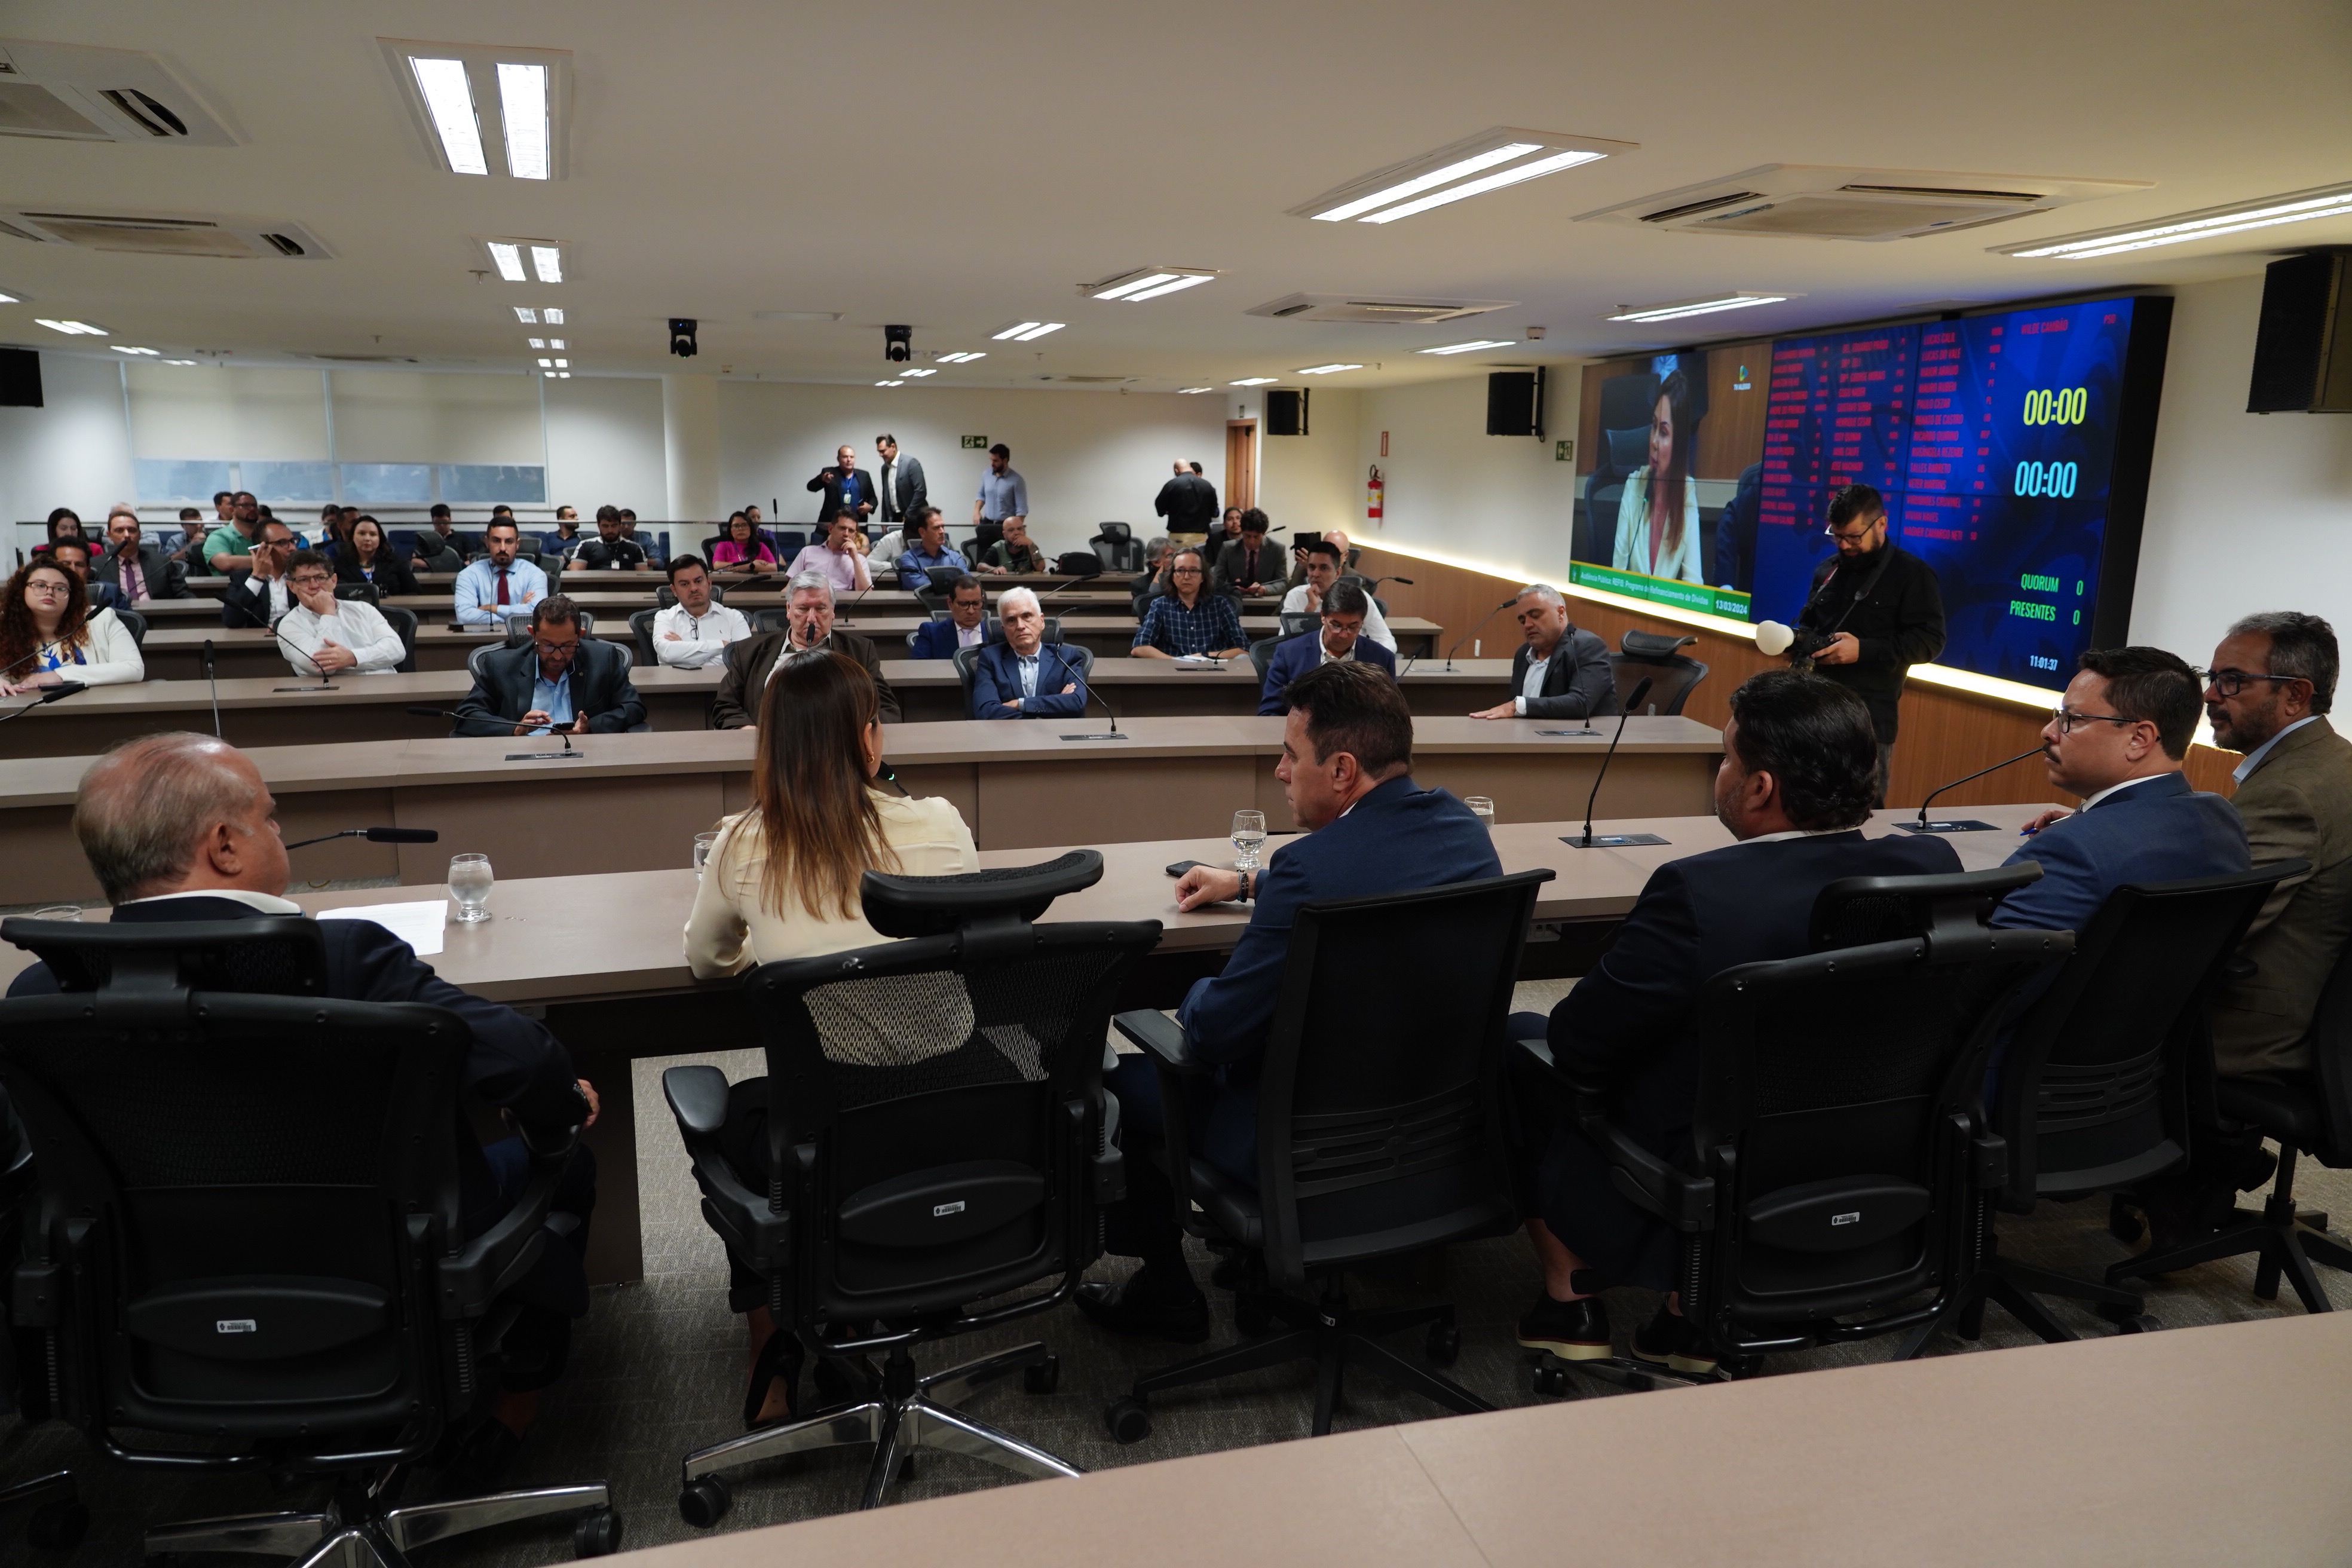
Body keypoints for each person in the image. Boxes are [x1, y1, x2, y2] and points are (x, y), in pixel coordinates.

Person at [6, 733, 599, 1482]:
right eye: (270, 817)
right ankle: (518, 1396)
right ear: (224, 846)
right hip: (381, 1270)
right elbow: (528, 1063)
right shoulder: (346, 958)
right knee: (566, 1160)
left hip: (162, 1290)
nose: (281, 831)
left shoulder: (43, 993)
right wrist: (559, 1109)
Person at [1509, 670, 1964, 1371]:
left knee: (1522, 1043)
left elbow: (1580, 1042)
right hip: (1868, 1145)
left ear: (1759, 788)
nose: (1720, 773)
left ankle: (1571, 1301)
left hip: (1704, 1155)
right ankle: (1686, 1318)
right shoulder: (1931, 863)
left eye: (1726, 758)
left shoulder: (1701, 891)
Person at [1077, 662, 1505, 1337]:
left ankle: (1167, 1296)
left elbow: (1215, 1032)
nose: (1279, 771)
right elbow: (1373, 869)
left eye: (1289, 755)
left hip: (1297, 1147)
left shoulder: (1311, 870)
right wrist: (1249, 883)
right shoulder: (1464, 831)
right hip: (1430, 1133)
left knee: (1109, 1086)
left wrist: (1196, 989)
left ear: (1341, 770)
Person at [684, 650, 978, 1420]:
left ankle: (771, 1350)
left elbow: (708, 960)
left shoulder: (742, 843)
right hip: (953, 1116)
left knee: (737, 1120)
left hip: (827, 1133)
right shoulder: (942, 822)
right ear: (869, 740)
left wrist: (775, 952)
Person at [1989, 647, 2250, 941]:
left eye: (2072, 719)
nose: (2049, 732)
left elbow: (1996, 960)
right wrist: (2088, 822)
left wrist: (2079, 833)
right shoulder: (2222, 818)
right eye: (2058, 715)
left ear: (2139, 739)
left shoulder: (2071, 848)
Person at [2201, 612, 2352, 1082]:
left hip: (2251, 1038)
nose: (2210, 695)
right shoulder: (2336, 761)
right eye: (2212, 677)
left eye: (2232, 681)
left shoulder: (2289, 794)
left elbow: (2203, 930)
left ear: (2295, 696)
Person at [1787, 483, 1947, 805]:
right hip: (1814, 712)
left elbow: (1930, 641)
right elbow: (1810, 626)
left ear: (1882, 524)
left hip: (1869, 720)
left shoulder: (1912, 575)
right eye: (1837, 536)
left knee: (1863, 810)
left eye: (1854, 537)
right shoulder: (1827, 571)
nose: (1844, 545)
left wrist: (1863, 650)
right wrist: (1795, 641)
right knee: (1805, 803)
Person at [713, 572, 901, 728]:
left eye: (821, 609)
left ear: (833, 611)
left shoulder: (860, 651)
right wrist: (748, 731)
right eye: (803, 609)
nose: (812, 618)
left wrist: (859, 735)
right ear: (788, 609)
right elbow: (725, 706)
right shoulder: (749, 651)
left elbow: (887, 709)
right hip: (770, 750)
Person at [451, 595, 644, 737]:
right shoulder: (501, 665)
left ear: (580, 635)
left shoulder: (602, 659)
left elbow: (634, 707)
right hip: (523, 759)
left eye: (567, 646)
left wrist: (591, 726)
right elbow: (465, 716)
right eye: (547, 645)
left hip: (585, 754)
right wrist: (516, 728)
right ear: (532, 634)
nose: (557, 656)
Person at [1469, 584, 1616, 722]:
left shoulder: (1587, 646)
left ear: (1560, 613)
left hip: (1577, 739)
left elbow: (1580, 703)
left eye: (1535, 615)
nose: (1527, 625)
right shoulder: (1523, 653)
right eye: (1522, 620)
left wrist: (1516, 706)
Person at [0, 558, 145, 696]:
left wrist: (61, 675)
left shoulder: (100, 619)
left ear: (71, 595)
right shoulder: (4, 627)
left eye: (60, 588)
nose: (50, 592)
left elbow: (134, 668)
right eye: (40, 585)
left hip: (92, 707)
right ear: (22, 590)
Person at [1609, 372, 1703, 584]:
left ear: (1678, 442)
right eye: (1654, 427)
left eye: (1664, 432)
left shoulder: (1687, 491)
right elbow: (1617, 572)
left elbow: (1694, 582)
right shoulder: (1634, 485)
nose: (1654, 441)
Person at [1257, 581, 1394, 714]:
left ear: (1363, 622)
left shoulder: (1382, 659)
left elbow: (1390, 715)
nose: (1344, 635)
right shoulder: (1288, 654)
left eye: (1353, 627)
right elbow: (1269, 713)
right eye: (1336, 625)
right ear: (1323, 616)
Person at [274, 550, 406, 676]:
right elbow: (322, 667)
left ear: (334, 581)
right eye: (304, 580)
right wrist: (328, 614)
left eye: (320, 578)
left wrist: (353, 658)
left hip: (386, 684)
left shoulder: (363, 609)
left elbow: (397, 650)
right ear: (292, 586)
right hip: (336, 690)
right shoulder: (288, 625)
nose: (314, 586)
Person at [970, 587, 1086, 719]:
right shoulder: (990, 658)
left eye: (1027, 616)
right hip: (1009, 732)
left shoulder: (1066, 657)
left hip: (1054, 732)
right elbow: (986, 712)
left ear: (1042, 621)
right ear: (1004, 629)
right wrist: (1052, 709)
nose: (1020, 626)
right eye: (1011, 620)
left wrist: (1019, 704)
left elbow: (1076, 702)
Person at [1282, 538, 1395, 653]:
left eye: (1324, 568)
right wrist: (1308, 612)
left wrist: (1369, 659)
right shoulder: (1295, 596)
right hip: (1310, 660)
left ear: (1338, 573)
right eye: (1312, 567)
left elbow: (1386, 640)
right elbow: (1284, 642)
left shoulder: (1359, 597)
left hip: (1352, 659)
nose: (1315, 574)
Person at [1132, 547, 1245, 661]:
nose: (1186, 577)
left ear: (1203, 577)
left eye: (1193, 571)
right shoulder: (1160, 605)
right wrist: (1175, 661)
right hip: (1171, 669)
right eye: (1181, 571)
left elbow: (1244, 648)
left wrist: (1204, 656)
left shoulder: (1220, 605)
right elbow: (1139, 647)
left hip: (1211, 669)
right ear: (1172, 576)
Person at [653, 554, 752, 669]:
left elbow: (744, 659)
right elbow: (668, 654)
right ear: (674, 590)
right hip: (677, 681)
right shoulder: (664, 618)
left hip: (723, 680)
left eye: (698, 581)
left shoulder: (734, 617)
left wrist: (683, 650)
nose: (694, 588)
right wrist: (722, 645)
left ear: (709, 583)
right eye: (685, 584)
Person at [454, 519, 551, 627]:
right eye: (496, 541)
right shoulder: (469, 575)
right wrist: (517, 614)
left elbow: (537, 614)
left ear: (517, 544)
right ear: (487, 542)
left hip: (524, 635)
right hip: (483, 635)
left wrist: (491, 608)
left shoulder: (535, 575)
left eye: (509, 542)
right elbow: (465, 615)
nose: (503, 548)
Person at [94, 509, 189, 602]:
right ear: (109, 535)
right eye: (119, 530)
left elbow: (184, 595)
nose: (127, 535)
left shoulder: (162, 562)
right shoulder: (97, 566)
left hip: (155, 611)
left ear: (140, 534)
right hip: (115, 612)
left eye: (132, 530)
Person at [220, 519, 298, 628]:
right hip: (260, 638)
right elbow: (231, 620)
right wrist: (258, 577)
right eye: (283, 543)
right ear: (262, 548)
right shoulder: (241, 579)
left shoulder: (302, 576)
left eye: (293, 541)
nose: (293, 548)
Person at [783, 514, 873, 593]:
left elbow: (865, 594)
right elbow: (790, 587)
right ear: (830, 528)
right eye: (842, 528)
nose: (846, 534)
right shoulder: (807, 552)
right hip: (810, 601)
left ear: (855, 534)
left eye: (851, 531)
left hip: (841, 603)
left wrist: (855, 559)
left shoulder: (860, 560)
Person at [333, 515, 420, 596]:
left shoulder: (396, 562)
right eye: (362, 533)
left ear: (380, 538)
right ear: (353, 537)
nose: (367, 539)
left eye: (373, 534)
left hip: (391, 607)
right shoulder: (339, 564)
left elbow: (415, 592)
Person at [911, 575, 990, 658]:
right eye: (963, 604)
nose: (971, 611)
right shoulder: (931, 634)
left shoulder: (996, 634)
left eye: (976, 603)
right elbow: (919, 665)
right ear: (950, 603)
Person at [1213, 508, 1285, 597]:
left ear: (1264, 534)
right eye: (1247, 536)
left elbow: (1283, 583)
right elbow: (1216, 581)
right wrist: (1232, 588)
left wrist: (1264, 589)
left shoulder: (1277, 549)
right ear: (1242, 532)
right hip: (1235, 598)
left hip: (1265, 600)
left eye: (1256, 537)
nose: (1252, 542)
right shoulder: (1228, 548)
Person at [893, 506, 964, 594]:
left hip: (953, 602)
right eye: (936, 528)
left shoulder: (955, 557)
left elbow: (967, 583)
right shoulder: (909, 558)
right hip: (921, 603)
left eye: (943, 527)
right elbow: (918, 585)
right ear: (922, 532)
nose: (942, 531)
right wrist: (951, 586)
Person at [45, 539, 125, 614]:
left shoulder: (109, 593)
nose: (73, 570)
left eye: (79, 565)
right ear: (52, 567)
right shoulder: (42, 593)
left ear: (88, 570)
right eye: (65, 564)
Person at [807, 444, 878, 524]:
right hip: (832, 523)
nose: (849, 460)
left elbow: (873, 498)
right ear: (838, 459)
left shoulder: (864, 475)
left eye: (852, 457)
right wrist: (822, 479)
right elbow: (811, 487)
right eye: (845, 457)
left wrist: (870, 507)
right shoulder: (829, 473)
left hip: (857, 523)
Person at [972, 442, 1027, 541]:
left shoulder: (1017, 480)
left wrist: (1016, 531)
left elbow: (1021, 510)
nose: (992, 464)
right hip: (987, 524)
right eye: (991, 460)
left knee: (1003, 551)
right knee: (984, 550)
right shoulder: (986, 475)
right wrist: (977, 512)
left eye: (996, 461)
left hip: (1005, 526)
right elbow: (981, 496)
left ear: (1005, 460)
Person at [1153, 460, 1217, 541]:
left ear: (1176, 470)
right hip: (1201, 537)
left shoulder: (1171, 485)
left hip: (1178, 537)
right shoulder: (1207, 485)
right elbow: (1214, 512)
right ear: (1190, 468)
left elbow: (1160, 508)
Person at [574, 506, 649, 572]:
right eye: (605, 526)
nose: (610, 530)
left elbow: (643, 577)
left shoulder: (634, 548)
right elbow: (575, 576)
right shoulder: (585, 546)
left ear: (620, 525)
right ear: (599, 526)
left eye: (614, 526)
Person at [875, 433, 925, 528]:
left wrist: (908, 516)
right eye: (879, 452)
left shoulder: (911, 463)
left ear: (893, 447)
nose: (881, 455)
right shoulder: (884, 469)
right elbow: (886, 496)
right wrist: (884, 521)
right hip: (895, 518)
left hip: (915, 517)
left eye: (883, 451)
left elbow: (921, 492)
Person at [204, 492, 261, 575]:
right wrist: (267, 561)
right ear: (232, 510)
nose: (252, 509)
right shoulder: (218, 536)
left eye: (254, 505)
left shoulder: (265, 534)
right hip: (229, 583)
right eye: (245, 505)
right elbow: (225, 563)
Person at [409, 503, 478, 570]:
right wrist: (434, 565)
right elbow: (414, 561)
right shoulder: (426, 540)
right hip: (432, 574)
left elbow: (472, 559)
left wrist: (461, 565)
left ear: (450, 520)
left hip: (457, 571)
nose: (441, 525)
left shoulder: (462, 538)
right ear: (433, 522)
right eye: (438, 523)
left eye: (444, 522)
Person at [714, 511, 783, 576]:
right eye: (736, 526)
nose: (740, 529)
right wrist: (750, 565)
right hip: (731, 581)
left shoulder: (761, 546)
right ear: (730, 530)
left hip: (756, 582)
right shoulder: (723, 546)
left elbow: (774, 567)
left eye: (744, 525)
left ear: (751, 528)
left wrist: (750, 566)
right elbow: (717, 566)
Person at [976, 515, 1045, 574]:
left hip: (1026, 584)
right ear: (1004, 535)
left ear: (1024, 531)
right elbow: (980, 566)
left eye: (1019, 529)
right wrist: (993, 569)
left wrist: (1031, 544)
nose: (1017, 533)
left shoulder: (1030, 546)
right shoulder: (998, 547)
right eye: (1011, 530)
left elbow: (1041, 568)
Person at [1131, 535, 1172, 618]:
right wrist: (1156, 585)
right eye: (1170, 556)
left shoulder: (1182, 580)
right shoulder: (1140, 585)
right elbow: (1142, 613)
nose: (1176, 559)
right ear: (1156, 562)